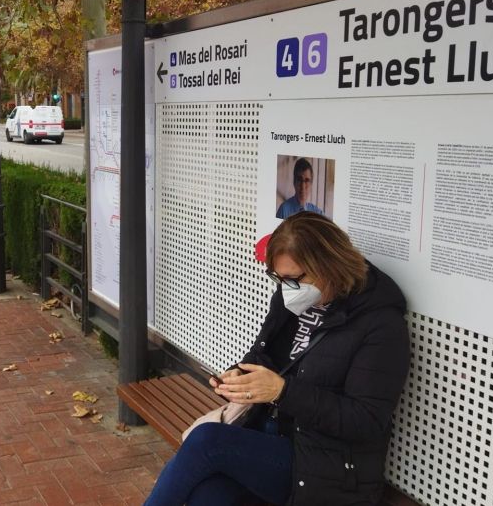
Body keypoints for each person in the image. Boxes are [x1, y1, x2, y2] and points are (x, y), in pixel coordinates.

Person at [145, 212, 410, 506]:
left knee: (207, 442)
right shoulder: (293, 298)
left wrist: (282, 391)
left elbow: (365, 420)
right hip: (269, 432)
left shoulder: (381, 326)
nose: (286, 288)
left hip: (323, 463)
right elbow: (265, 354)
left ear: (329, 265)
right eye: (279, 278)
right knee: (206, 495)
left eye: (294, 278)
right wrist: (239, 375)